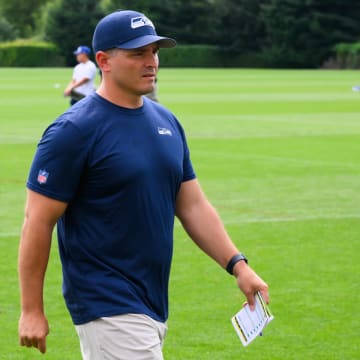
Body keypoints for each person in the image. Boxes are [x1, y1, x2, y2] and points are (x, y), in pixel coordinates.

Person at [18, 10, 269, 359]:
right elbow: (38, 220)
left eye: (154, 51)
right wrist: (32, 309)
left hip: (151, 300)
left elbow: (192, 205)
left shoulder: (166, 121)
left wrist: (238, 265)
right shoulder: (73, 131)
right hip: (106, 303)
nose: (151, 62)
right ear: (103, 60)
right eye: (138, 53)